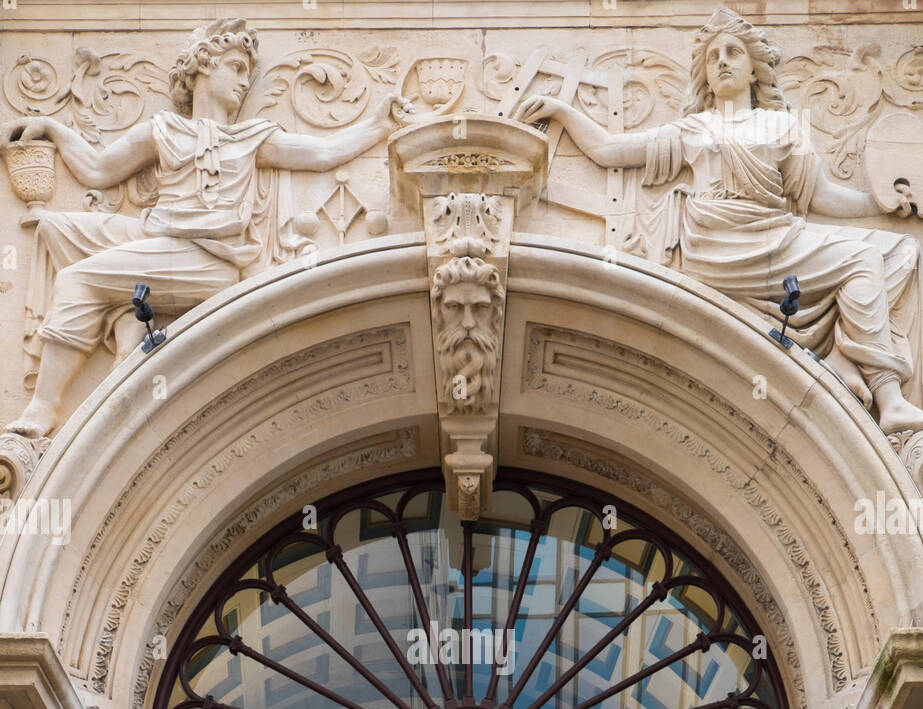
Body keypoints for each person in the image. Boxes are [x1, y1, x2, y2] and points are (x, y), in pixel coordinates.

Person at [516, 6, 923, 434]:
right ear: (706, 77)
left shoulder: (781, 125)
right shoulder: (694, 128)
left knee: (898, 249)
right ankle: (889, 397)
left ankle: (848, 359)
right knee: (861, 259)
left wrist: (882, 204)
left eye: (733, 52)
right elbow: (609, 150)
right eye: (713, 57)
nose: (723, 60)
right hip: (717, 243)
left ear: (753, 70)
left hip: (776, 236)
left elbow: (821, 196)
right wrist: (563, 110)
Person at [0, 19, 413, 438]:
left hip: (208, 258)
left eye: (247, 74)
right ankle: (126, 316)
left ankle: (44, 408)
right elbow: (96, 169)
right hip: (157, 238)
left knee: (76, 280)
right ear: (201, 67)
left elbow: (325, 153)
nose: (243, 81)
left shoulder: (252, 139)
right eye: (234, 67)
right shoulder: (163, 131)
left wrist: (378, 125)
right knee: (56, 227)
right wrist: (53, 128)